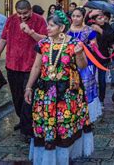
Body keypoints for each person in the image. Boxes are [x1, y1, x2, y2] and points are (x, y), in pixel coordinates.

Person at [24, 10, 93, 163]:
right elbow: (36, 67)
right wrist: (29, 87)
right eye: (48, 25)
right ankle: (48, 157)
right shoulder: (43, 43)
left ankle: (64, 157)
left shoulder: (74, 44)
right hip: (46, 91)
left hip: (67, 92)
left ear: (61, 28)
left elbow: (82, 66)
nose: (47, 28)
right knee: (45, 123)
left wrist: (80, 53)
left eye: (51, 25)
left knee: (64, 124)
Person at [0, 0, 47, 140]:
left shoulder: (39, 21)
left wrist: (31, 32)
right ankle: (23, 120)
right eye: (19, 13)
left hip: (31, 66)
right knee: (17, 97)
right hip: (12, 65)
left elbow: (45, 40)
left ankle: (28, 130)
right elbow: (3, 40)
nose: (22, 16)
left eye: (25, 13)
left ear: (31, 10)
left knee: (28, 97)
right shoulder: (11, 20)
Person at [67, 8, 102, 122]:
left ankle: (88, 115)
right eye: (73, 16)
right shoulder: (66, 31)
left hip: (87, 63)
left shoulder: (89, 31)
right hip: (71, 63)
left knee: (87, 87)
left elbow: (95, 45)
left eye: (78, 16)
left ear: (83, 17)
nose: (75, 18)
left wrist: (92, 46)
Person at [89, 10, 114, 106]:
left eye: (103, 17)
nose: (102, 19)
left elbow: (110, 38)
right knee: (91, 78)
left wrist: (100, 30)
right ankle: (92, 98)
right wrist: (89, 14)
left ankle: (101, 99)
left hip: (103, 57)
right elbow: (84, 20)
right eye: (99, 18)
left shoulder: (107, 27)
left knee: (102, 79)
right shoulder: (90, 26)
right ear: (95, 20)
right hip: (92, 56)